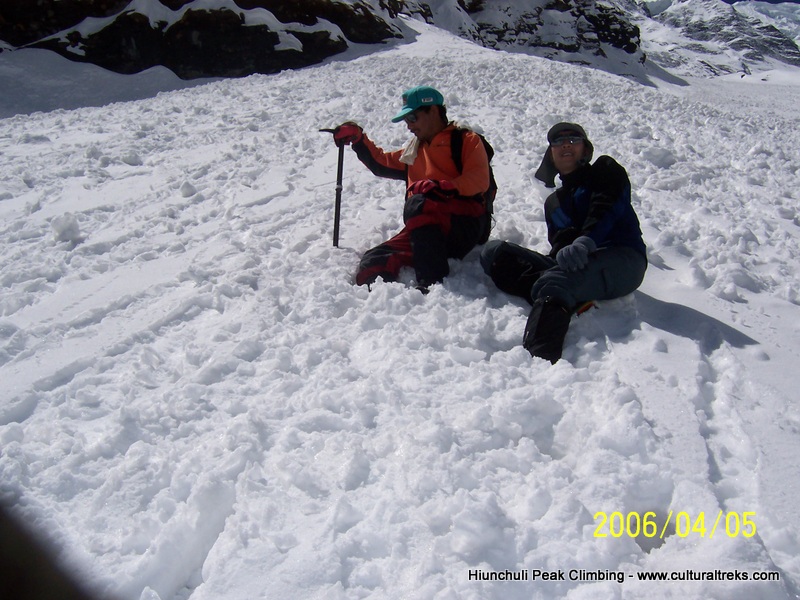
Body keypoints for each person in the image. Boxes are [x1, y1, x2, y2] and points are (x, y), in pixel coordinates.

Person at [480, 122, 647, 363]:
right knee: (494, 253)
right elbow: (561, 246)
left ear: (585, 149)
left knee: (554, 281)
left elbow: (606, 206)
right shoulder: (554, 203)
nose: (565, 144)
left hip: (623, 259)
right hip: (584, 264)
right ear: (551, 154)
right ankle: (566, 295)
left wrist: (586, 241)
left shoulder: (605, 169)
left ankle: (539, 361)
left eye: (573, 139)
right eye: (557, 141)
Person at [333, 86, 492, 291]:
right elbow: (381, 163)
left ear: (433, 111)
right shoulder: (415, 151)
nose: (409, 126)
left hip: (464, 225)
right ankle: (379, 298)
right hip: (426, 230)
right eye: (406, 120)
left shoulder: (466, 141)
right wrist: (358, 139)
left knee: (419, 202)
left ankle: (431, 284)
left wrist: (441, 187)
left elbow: (479, 180)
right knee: (374, 260)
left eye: (413, 118)